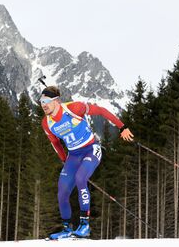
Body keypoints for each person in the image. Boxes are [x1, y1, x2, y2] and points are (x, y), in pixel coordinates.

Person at [40, 86, 134, 239]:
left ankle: (84, 225)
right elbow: (55, 143)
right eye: (41, 102)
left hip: (91, 149)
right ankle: (66, 229)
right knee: (62, 191)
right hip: (73, 156)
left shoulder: (74, 108)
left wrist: (122, 127)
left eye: (46, 101)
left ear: (56, 101)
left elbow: (102, 111)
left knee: (80, 178)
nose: (43, 105)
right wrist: (65, 160)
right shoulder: (46, 123)